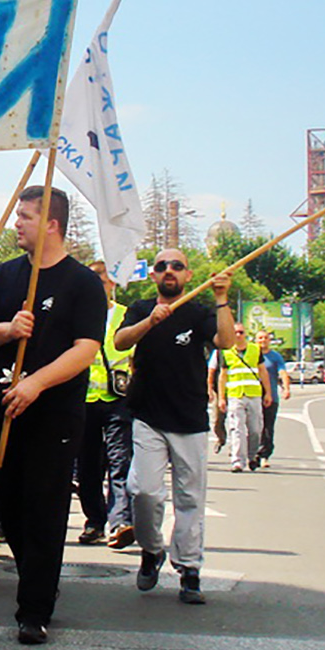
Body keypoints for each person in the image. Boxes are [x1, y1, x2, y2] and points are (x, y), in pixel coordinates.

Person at [0, 186, 105, 646]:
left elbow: (86, 348)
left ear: (52, 223)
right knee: (9, 507)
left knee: (45, 507)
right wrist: (9, 328)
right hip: (1, 411)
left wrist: (36, 382)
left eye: (25, 216)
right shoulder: (4, 278)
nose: (16, 224)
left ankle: (34, 607)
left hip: (55, 414)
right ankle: (38, 577)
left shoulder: (82, 283)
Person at [115, 249, 234, 606]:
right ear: (153, 275)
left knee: (189, 499)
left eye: (177, 266)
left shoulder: (199, 311)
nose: (169, 271)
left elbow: (225, 341)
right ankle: (152, 550)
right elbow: (121, 341)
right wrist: (150, 321)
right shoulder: (139, 308)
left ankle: (190, 569)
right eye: (162, 266)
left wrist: (222, 298)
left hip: (190, 420)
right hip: (148, 415)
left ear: (187, 275)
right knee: (144, 492)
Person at [78, 261, 133, 547]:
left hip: (118, 400)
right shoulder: (77, 314)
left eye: (99, 279)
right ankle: (94, 521)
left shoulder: (125, 315)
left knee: (119, 460)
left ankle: (120, 520)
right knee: (87, 467)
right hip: (84, 400)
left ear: (111, 283)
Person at [209, 322, 271, 473]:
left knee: (255, 429)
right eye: (235, 332)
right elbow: (222, 376)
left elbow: (263, 372)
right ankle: (237, 461)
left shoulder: (255, 350)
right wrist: (221, 397)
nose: (238, 335)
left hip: (253, 395)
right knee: (237, 428)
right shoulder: (226, 352)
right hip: (235, 395)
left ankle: (252, 456)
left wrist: (268, 392)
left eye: (241, 332)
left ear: (245, 334)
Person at [256, 328, 291, 464]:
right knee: (253, 426)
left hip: (271, 396)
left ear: (269, 341)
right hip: (253, 394)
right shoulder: (251, 354)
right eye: (260, 338)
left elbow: (282, 372)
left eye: (265, 338)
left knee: (268, 426)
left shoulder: (275, 356)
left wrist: (286, 389)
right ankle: (252, 452)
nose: (263, 340)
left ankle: (264, 455)